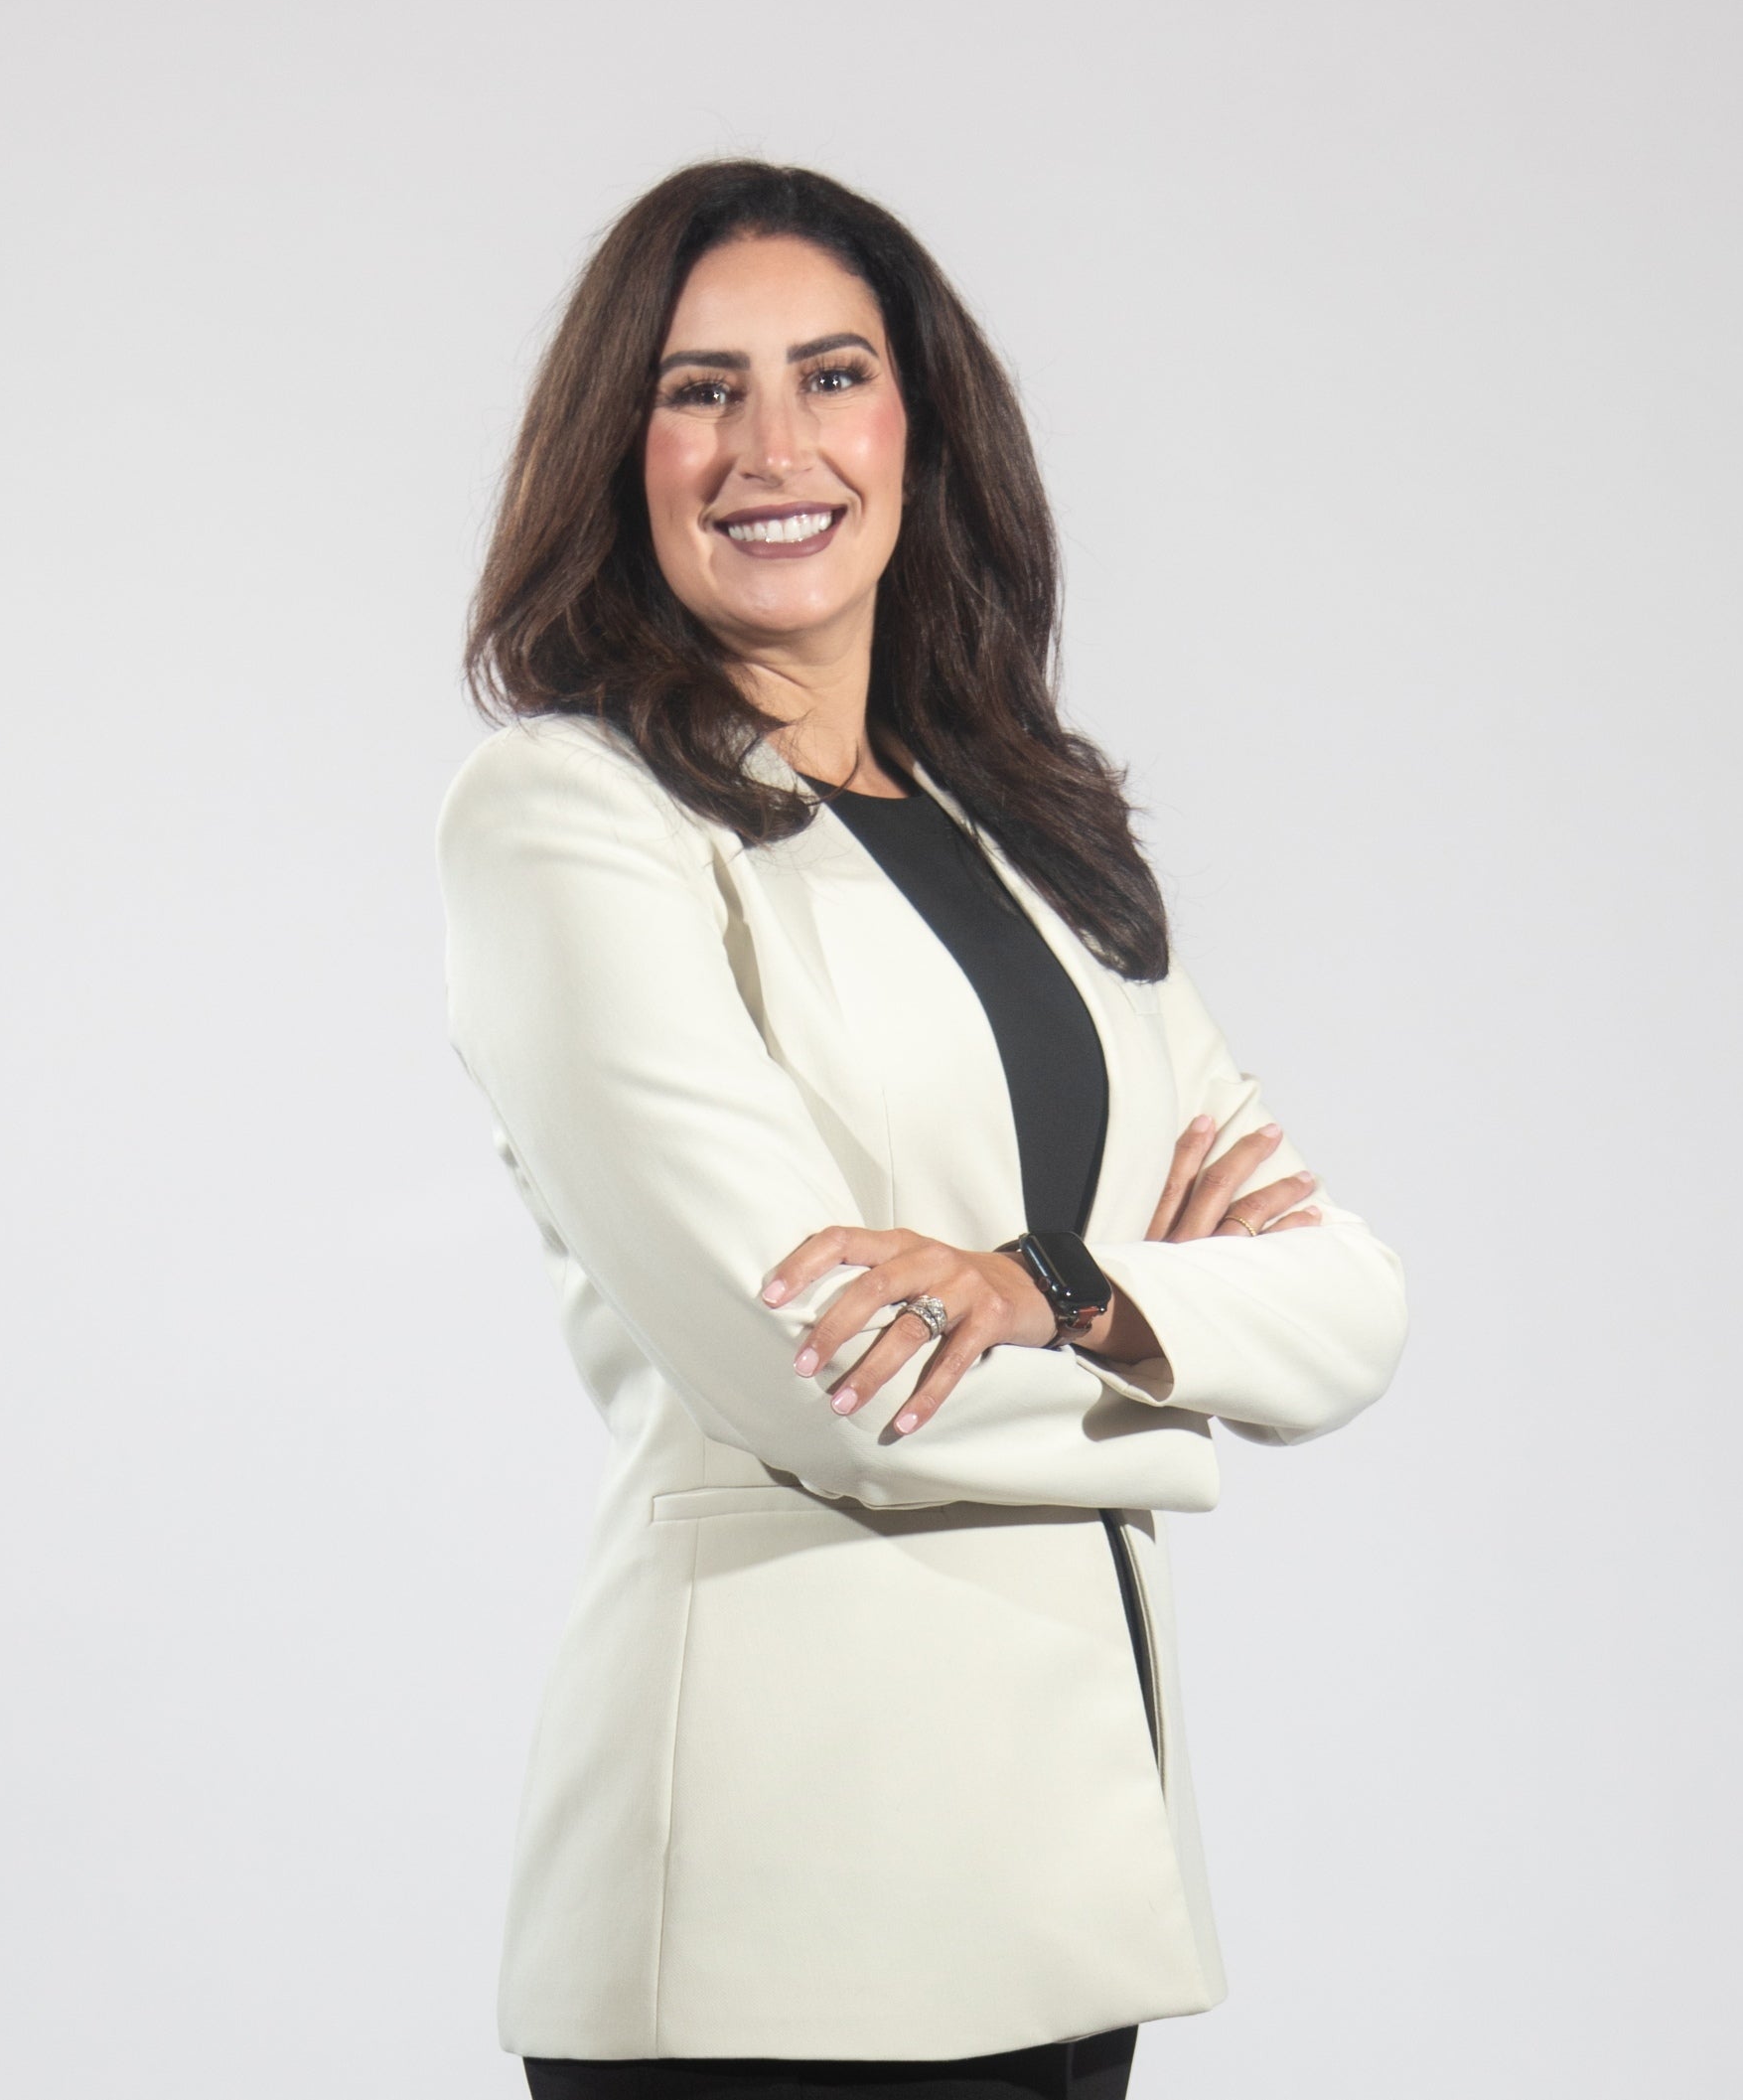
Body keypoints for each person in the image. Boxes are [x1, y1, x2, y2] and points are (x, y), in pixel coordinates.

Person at [438, 160, 1409, 2100]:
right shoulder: (572, 821)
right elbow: (823, 1384)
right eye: (698, 388)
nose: (770, 444)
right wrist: (1177, 1361)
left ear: (918, 427)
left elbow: (1349, 1297)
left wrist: (1044, 1291)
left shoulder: (1034, 850)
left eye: (831, 374)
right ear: (614, 447)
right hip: (766, 1921)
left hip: (1056, 1902)